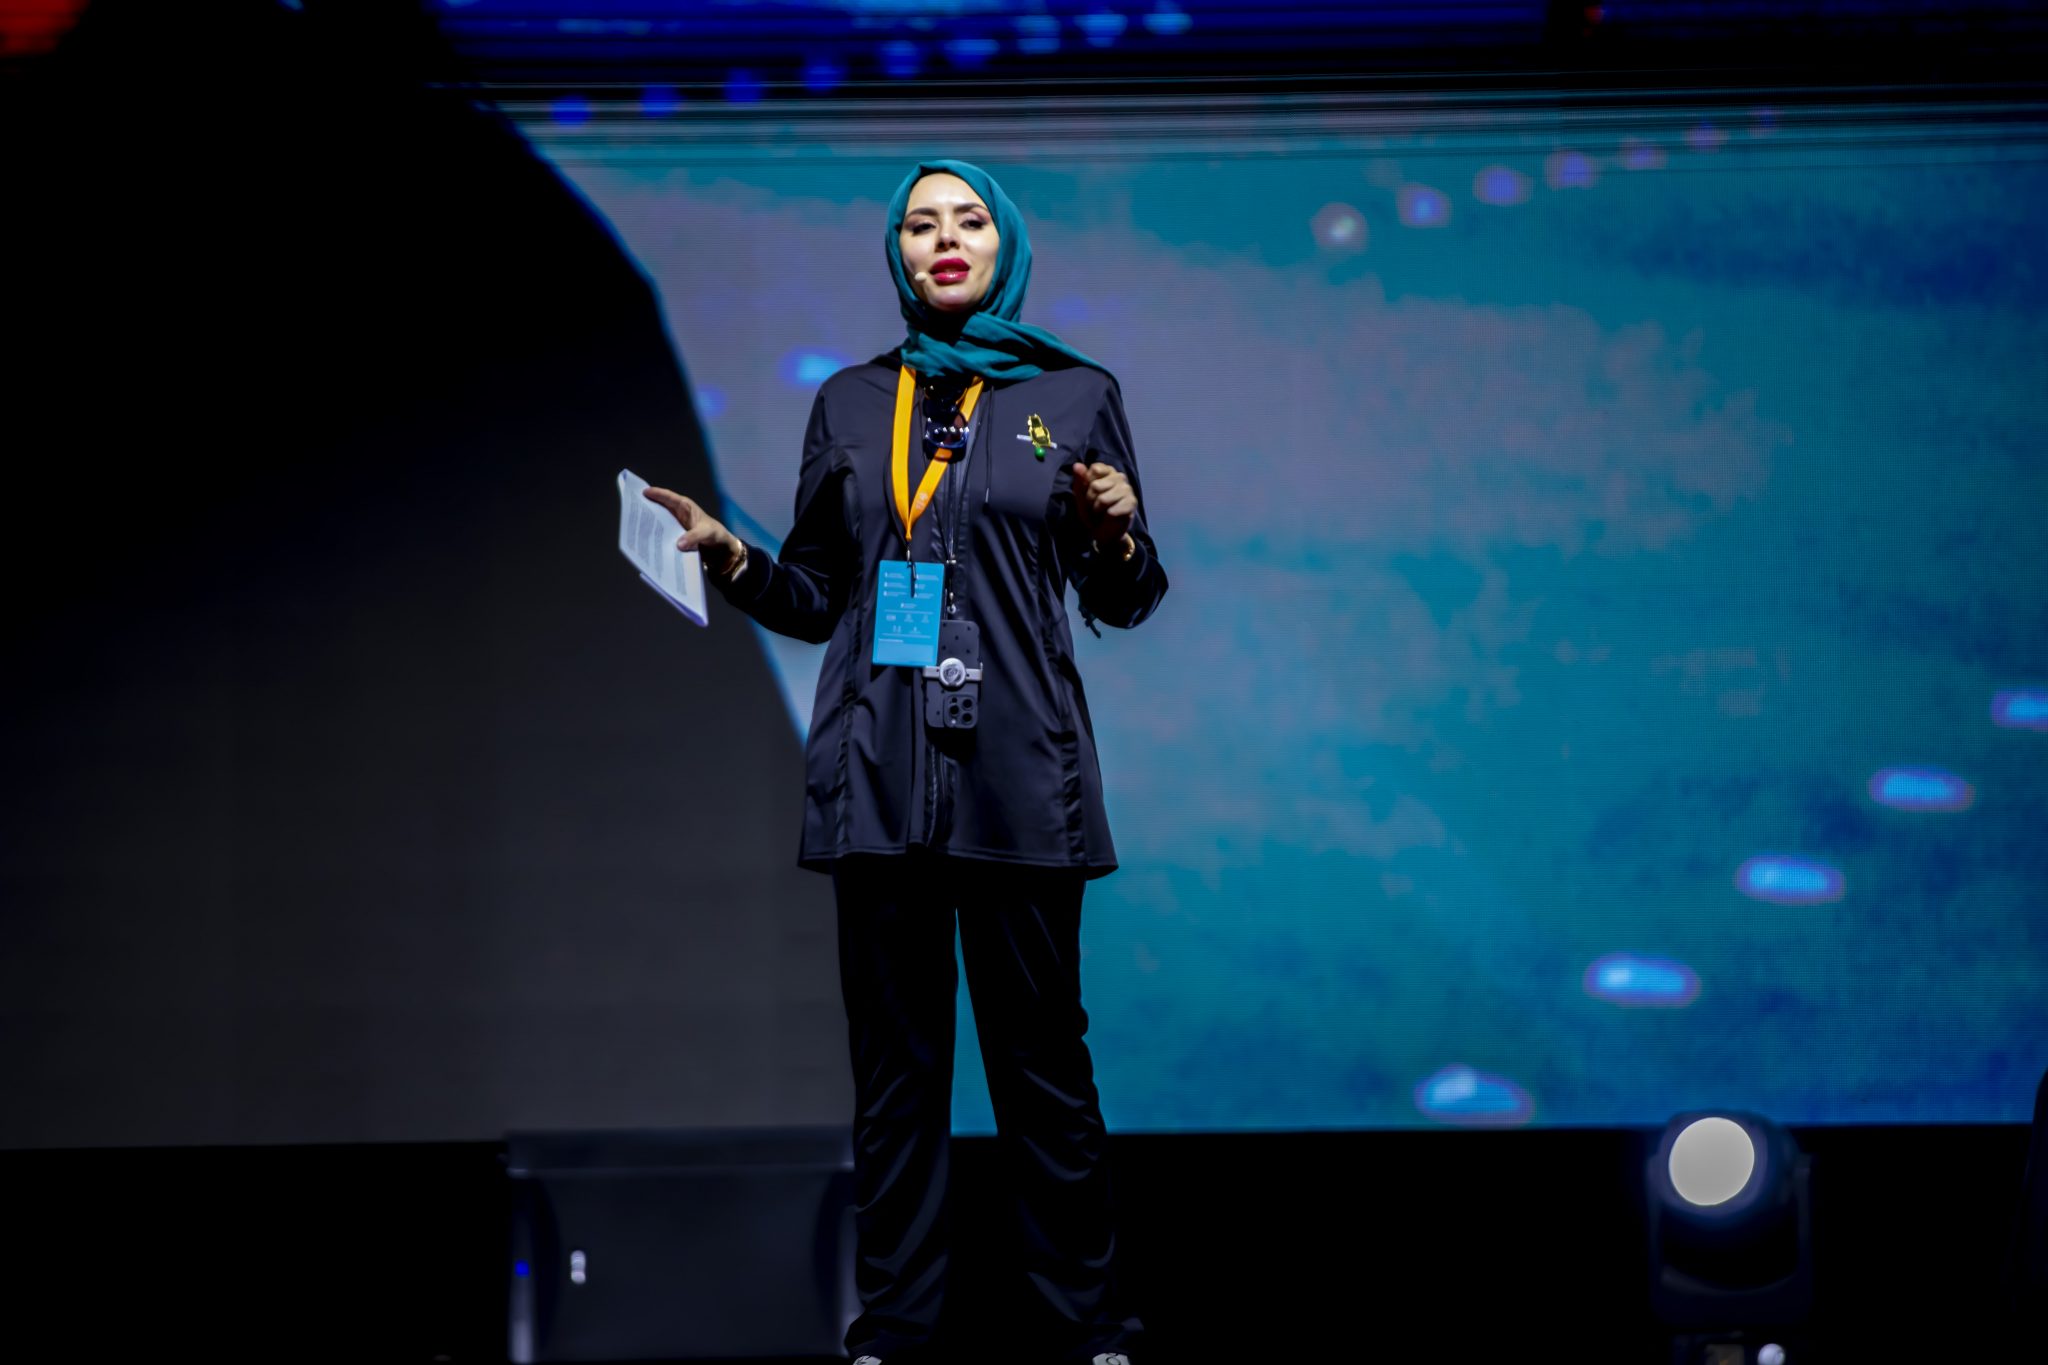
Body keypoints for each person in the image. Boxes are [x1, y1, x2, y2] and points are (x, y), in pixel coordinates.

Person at [644, 159, 1166, 1365]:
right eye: (920, 224)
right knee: (895, 1079)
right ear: (897, 252)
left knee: (1043, 1071)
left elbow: (1125, 598)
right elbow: (818, 593)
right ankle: (895, 1325)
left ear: (1003, 244)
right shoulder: (847, 403)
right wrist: (730, 556)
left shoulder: (1073, 395)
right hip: (879, 777)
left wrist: (1117, 535)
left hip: (1019, 780)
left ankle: (1082, 1322)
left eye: (967, 220)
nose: (944, 239)